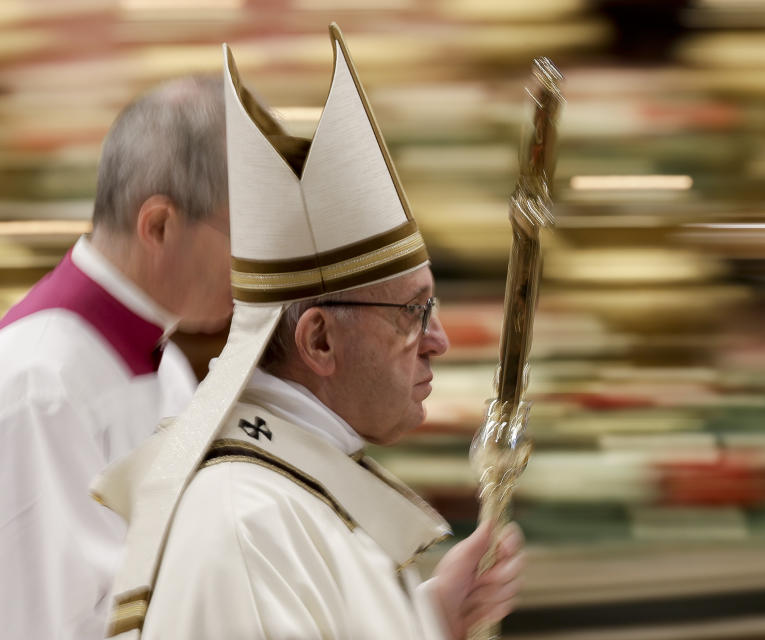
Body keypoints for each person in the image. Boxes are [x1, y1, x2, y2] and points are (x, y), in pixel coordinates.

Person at [95, 24, 523, 640]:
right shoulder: (245, 520)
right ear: (319, 341)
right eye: (414, 312)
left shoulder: (298, 490)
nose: (439, 341)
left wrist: (432, 620)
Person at [0, 76, 233, 640]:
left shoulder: (166, 361)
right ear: (158, 226)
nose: (259, 263)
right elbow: (43, 625)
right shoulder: (40, 382)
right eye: (242, 233)